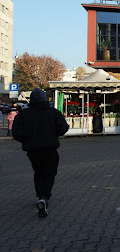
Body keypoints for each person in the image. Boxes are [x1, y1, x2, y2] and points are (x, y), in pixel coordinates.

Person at [12, 88, 69, 218]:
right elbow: (63, 128)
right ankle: (44, 196)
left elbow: (16, 132)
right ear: (44, 99)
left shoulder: (24, 114)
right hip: (50, 148)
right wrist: (53, 134)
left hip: (32, 149)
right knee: (49, 173)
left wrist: (26, 140)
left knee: (38, 171)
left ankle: (40, 194)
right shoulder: (53, 112)